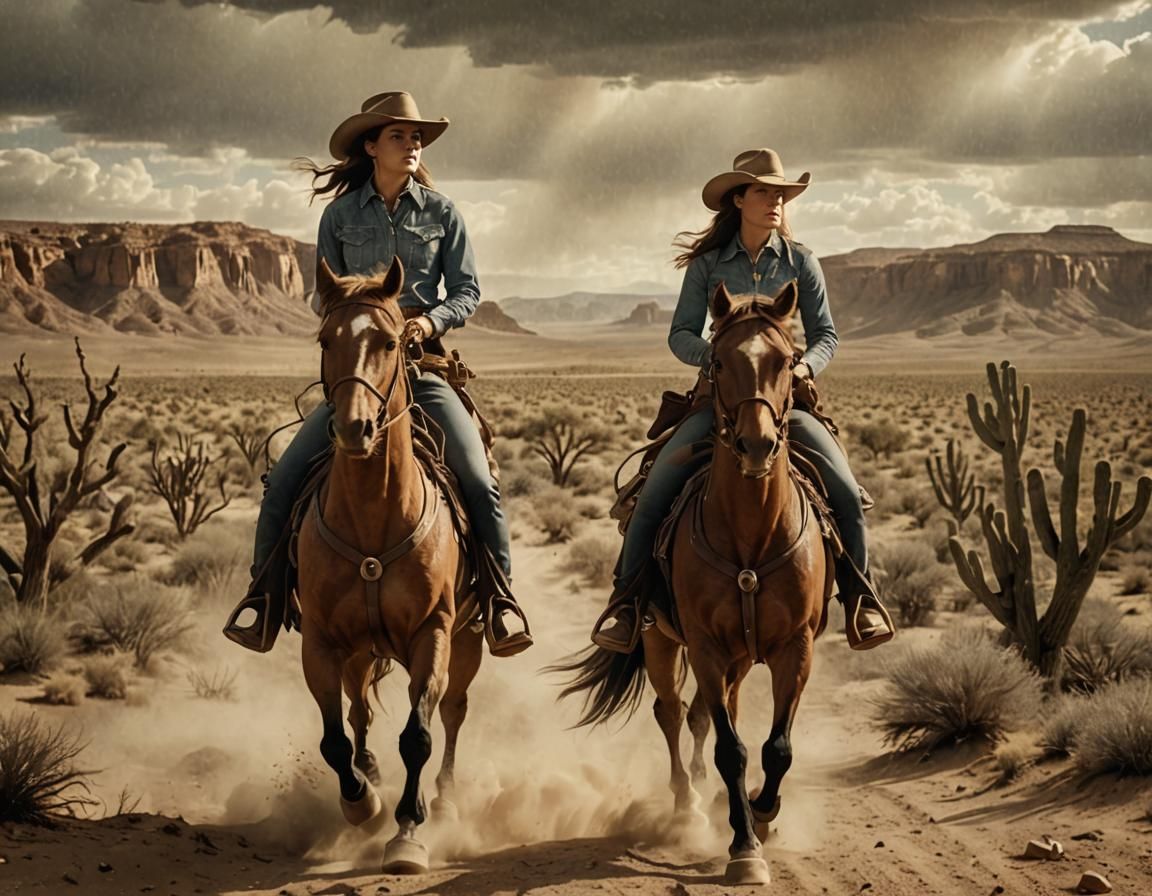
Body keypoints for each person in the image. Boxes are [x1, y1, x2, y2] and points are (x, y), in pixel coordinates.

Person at [224, 91, 529, 656]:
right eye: (399, 135)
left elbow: (467, 291)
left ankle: (500, 602)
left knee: (480, 482)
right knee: (283, 482)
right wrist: (360, 326)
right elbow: (326, 297)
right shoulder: (339, 217)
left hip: (423, 366)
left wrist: (427, 322)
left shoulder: (443, 214)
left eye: (417, 137)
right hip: (362, 370)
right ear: (371, 146)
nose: (412, 144)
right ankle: (263, 600)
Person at [592, 148, 894, 653]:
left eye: (780, 193)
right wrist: (719, 356)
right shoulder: (709, 266)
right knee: (654, 489)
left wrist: (801, 367)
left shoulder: (802, 263)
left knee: (843, 489)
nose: (775, 201)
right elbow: (680, 333)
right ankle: (626, 603)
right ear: (739, 199)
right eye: (763, 191)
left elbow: (826, 336)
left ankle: (861, 599)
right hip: (719, 404)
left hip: (787, 404)